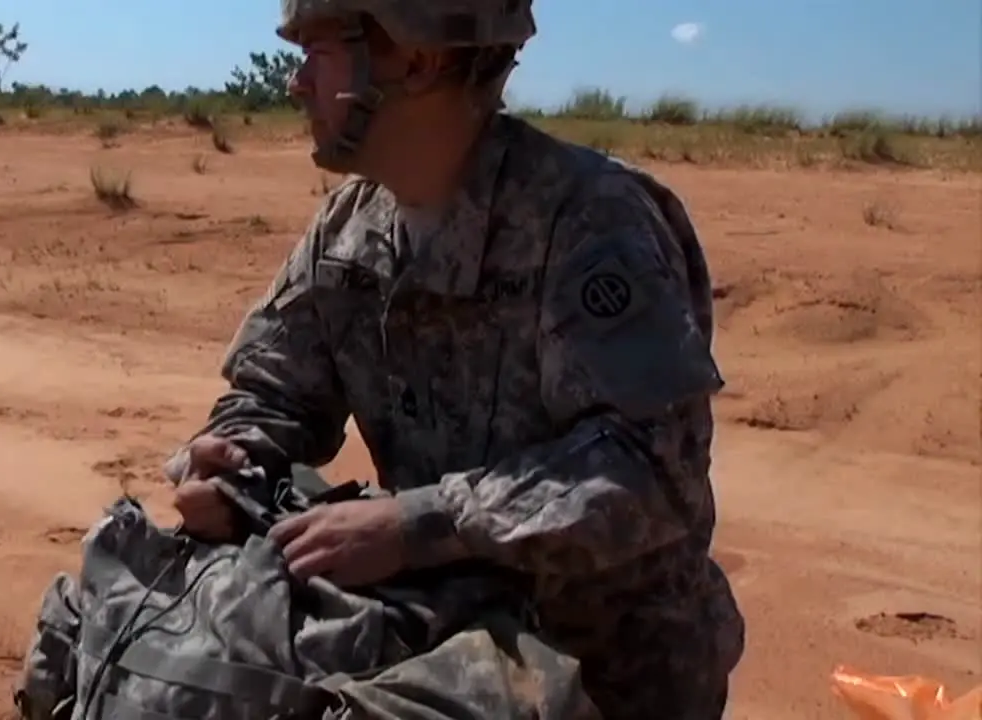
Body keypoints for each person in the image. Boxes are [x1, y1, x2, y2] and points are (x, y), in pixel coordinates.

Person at [163, 0, 746, 717]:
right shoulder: (350, 229)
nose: (295, 81)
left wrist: (420, 526)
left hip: (610, 677)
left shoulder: (589, 220)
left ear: (416, 56)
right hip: (445, 642)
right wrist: (235, 456)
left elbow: (650, 470)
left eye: (320, 49)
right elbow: (276, 391)